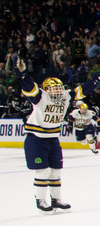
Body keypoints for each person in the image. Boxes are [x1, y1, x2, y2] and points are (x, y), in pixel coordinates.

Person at [13, 56, 74, 213]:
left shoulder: (65, 98)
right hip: (36, 139)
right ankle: (40, 200)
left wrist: (95, 80)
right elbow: (30, 88)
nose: (58, 91)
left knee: (55, 171)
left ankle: (56, 199)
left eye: (59, 88)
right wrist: (24, 74)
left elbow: (80, 92)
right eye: (54, 88)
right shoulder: (41, 97)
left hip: (53, 139)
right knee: (43, 171)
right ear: (47, 89)